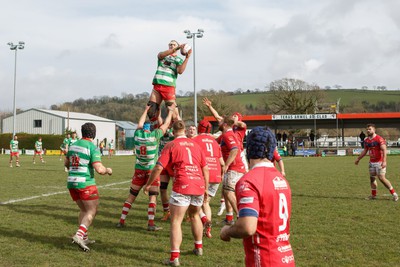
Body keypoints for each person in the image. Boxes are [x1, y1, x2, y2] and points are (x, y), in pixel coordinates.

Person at [220, 126, 295, 267]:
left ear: (248, 150)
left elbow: (247, 227)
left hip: (264, 259)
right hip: (286, 258)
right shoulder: (282, 180)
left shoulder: (248, 181)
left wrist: (227, 231)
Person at [144, 120, 209, 266]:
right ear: (185, 130)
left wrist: (148, 185)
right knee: (194, 216)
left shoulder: (171, 145)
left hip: (183, 185)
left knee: (176, 221)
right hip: (198, 184)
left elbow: (159, 167)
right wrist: (205, 187)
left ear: (173, 132)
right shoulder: (196, 145)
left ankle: (174, 258)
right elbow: (205, 168)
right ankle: (198, 247)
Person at [116, 104, 174, 230]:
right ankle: (151, 224)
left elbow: (140, 123)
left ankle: (121, 220)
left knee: (131, 196)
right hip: (151, 170)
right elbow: (166, 124)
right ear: (150, 129)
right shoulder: (154, 136)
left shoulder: (137, 135)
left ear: (143, 129)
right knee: (152, 197)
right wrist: (170, 112)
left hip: (139, 169)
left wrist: (146, 110)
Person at [66, 122, 112, 252]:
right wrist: (108, 170)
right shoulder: (92, 147)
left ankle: (84, 237)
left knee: (84, 210)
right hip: (85, 183)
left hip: (71, 182)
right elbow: (99, 169)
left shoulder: (73, 145)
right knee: (92, 211)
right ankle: (79, 235)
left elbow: (66, 163)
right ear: (94, 133)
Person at [193, 119, 224, 238]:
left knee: (195, 202)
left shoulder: (195, 140)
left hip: (203, 175)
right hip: (216, 175)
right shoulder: (215, 142)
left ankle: (205, 220)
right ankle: (208, 228)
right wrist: (221, 174)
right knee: (205, 202)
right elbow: (222, 163)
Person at [147, 40, 192, 123]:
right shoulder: (163, 55)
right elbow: (160, 55)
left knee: (174, 115)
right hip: (157, 86)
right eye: (170, 44)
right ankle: (161, 130)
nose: (171, 45)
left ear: (178, 47)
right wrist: (177, 47)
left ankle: (181, 132)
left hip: (168, 87)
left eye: (173, 44)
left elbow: (180, 71)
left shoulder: (178, 60)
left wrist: (187, 58)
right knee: (151, 113)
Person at [355, 123, 398, 201]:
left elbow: (384, 150)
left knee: (382, 178)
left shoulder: (379, 139)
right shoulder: (367, 140)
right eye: (367, 129)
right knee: (372, 178)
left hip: (379, 162)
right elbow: (365, 151)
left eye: (369, 129)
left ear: (374, 130)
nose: (368, 131)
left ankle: (394, 194)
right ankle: (373, 195)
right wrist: (358, 159)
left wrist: (384, 161)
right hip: (371, 162)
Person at [218, 116, 246, 225]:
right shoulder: (225, 135)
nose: (218, 123)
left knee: (229, 192)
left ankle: (241, 217)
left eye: (220, 122)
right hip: (234, 168)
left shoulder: (227, 135)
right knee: (225, 191)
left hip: (234, 168)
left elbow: (234, 150)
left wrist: (226, 165)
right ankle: (229, 218)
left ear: (225, 124)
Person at [159, 128, 175, 221]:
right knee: (162, 189)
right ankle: (166, 212)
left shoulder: (173, 137)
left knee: (178, 190)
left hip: (172, 164)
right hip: (163, 164)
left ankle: (186, 213)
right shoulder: (158, 135)